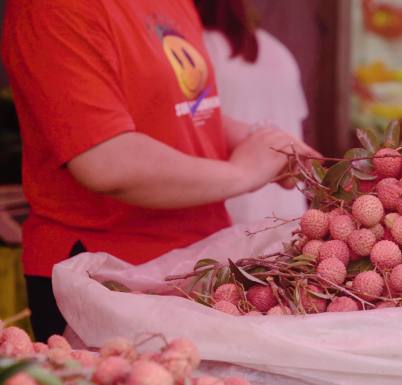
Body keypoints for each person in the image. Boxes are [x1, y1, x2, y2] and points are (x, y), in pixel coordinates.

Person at [1, 0, 318, 341]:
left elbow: (185, 112)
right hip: (108, 276)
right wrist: (243, 174)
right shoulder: (55, 10)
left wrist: (255, 139)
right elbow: (107, 162)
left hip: (195, 262)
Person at [197, 0, 308, 223]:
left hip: (236, 211)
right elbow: (297, 123)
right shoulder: (278, 50)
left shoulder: (200, 51)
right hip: (291, 209)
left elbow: (195, 130)